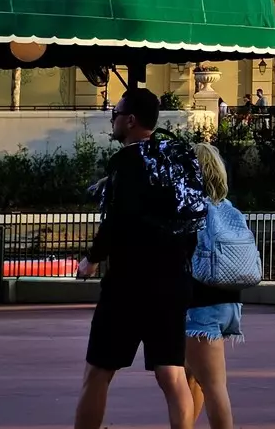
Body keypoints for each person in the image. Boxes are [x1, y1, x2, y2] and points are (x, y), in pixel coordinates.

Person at [74, 87, 208, 429]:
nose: (113, 121)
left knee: (98, 371)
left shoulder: (126, 160)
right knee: (171, 371)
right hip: (173, 278)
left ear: (130, 120)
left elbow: (117, 218)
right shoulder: (180, 155)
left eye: (115, 115)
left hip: (130, 282)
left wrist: (92, 259)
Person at [186, 143, 247, 429]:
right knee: (194, 381)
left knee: (212, 386)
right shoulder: (228, 209)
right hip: (228, 302)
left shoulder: (192, 211)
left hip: (199, 306)